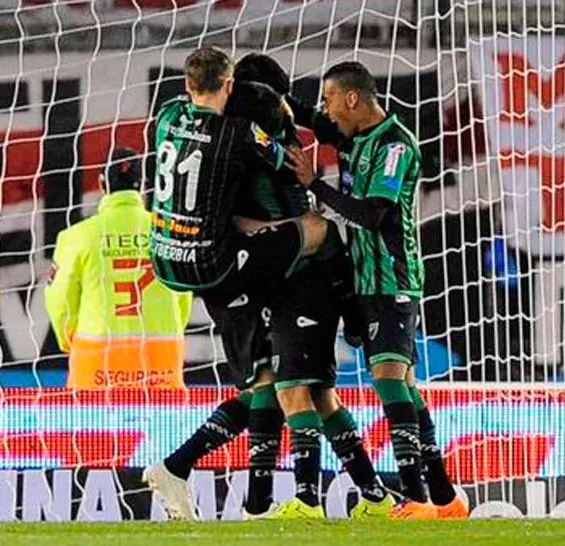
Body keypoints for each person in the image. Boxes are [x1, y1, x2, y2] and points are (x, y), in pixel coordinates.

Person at [143, 52, 393, 521]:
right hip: (266, 269)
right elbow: (285, 159)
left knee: (287, 384)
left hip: (204, 268)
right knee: (291, 383)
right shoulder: (244, 137)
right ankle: (298, 498)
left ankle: (364, 495)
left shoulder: (175, 119)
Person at [287, 60, 467, 520]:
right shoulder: (353, 138)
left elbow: (374, 215)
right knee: (404, 383)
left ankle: (418, 498)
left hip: (393, 277)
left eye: (331, 99)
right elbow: (311, 118)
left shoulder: (394, 145)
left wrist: (315, 186)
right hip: (364, 279)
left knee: (388, 376)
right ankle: (445, 498)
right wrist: (269, 95)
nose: (326, 110)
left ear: (352, 98)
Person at [45, 147, 192, 390]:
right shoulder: (169, 233)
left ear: (102, 184)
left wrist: (67, 340)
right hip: (160, 360)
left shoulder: (76, 236)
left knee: (92, 429)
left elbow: (60, 301)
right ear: (143, 185)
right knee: (160, 426)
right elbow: (183, 296)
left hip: (96, 360)